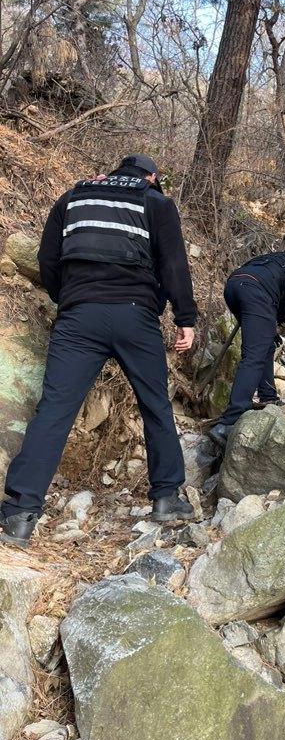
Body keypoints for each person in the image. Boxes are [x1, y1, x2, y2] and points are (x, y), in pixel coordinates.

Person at [0, 154, 198, 549]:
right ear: (152, 177)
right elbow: (174, 264)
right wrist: (185, 318)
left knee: (54, 409)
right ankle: (166, 498)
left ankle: (20, 514)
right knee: (155, 405)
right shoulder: (155, 202)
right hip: (135, 317)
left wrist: (69, 298)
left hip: (78, 317)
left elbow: (47, 259)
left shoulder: (73, 197)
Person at [209, 250, 285, 447]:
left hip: (235, 286)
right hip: (257, 291)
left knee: (265, 346)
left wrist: (270, 325)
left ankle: (268, 398)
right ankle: (229, 422)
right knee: (254, 355)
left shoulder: (282, 260)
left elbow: (279, 291)